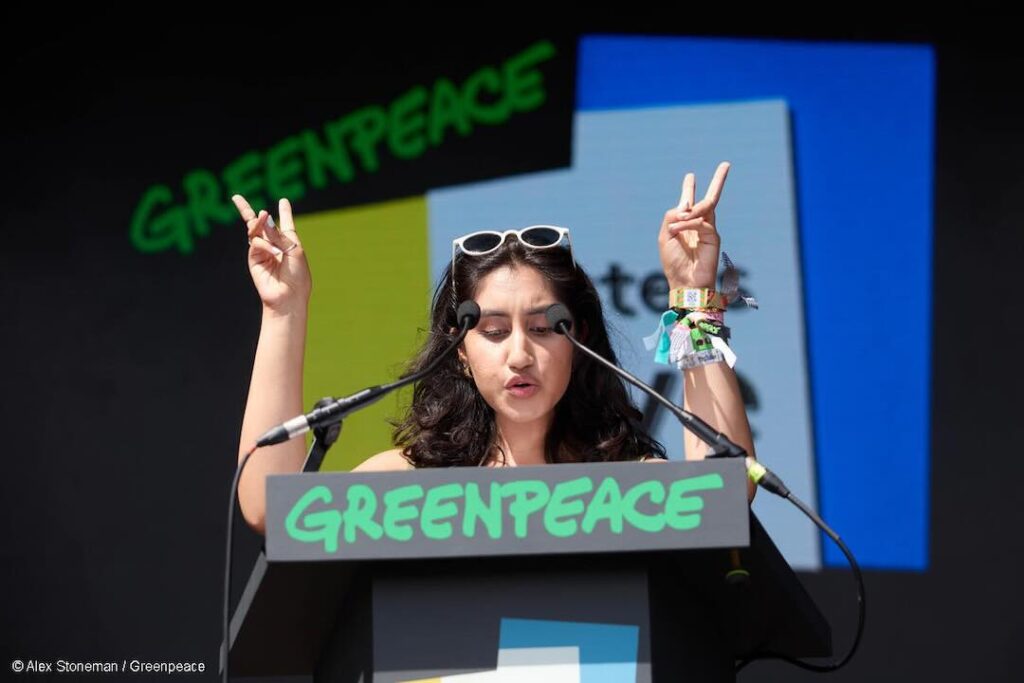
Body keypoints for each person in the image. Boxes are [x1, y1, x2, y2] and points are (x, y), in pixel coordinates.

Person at [232, 161, 757, 535]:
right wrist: (283, 309)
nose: (520, 355)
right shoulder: (411, 489)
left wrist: (694, 297)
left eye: (546, 327)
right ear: (460, 348)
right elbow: (269, 510)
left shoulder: (629, 487)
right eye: (494, 331)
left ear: (582, 338)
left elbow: (726, 492)